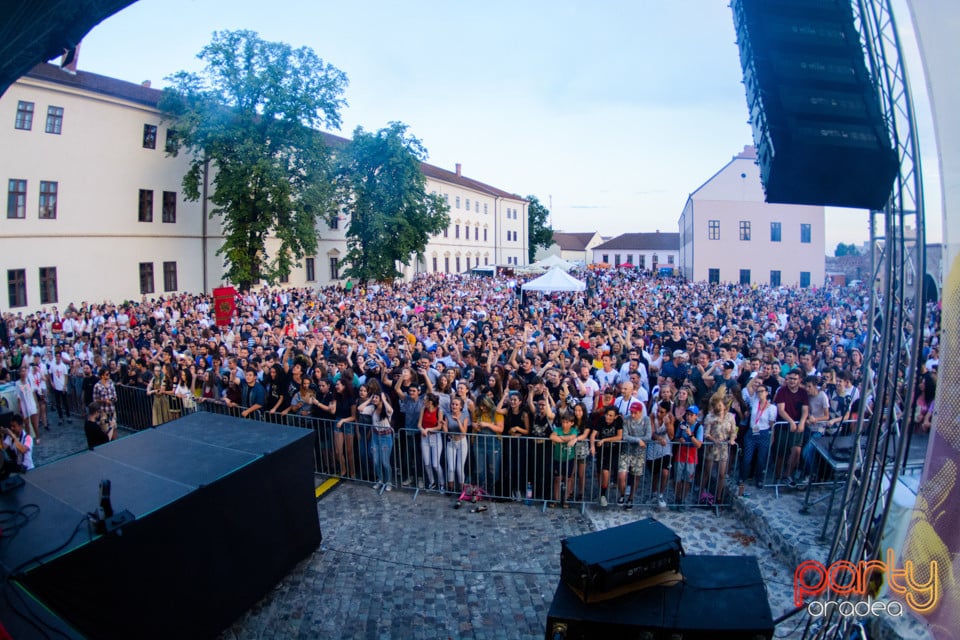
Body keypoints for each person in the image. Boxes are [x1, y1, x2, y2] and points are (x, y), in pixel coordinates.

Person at [702, 390, 737, 505]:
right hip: (712, 448)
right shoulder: (710, 417)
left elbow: (733, 431)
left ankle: (718, 497)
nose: (718, 407)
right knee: (707, 472)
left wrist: (732, 439)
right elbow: (706, 433)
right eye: (716, 404)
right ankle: (702, 493)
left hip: (723, 448)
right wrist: (713, 440)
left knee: (722, 474)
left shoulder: (731, 417)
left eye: (720, 404)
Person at [775, 369, 809, 486]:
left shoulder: (803, 393)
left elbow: (805, 409)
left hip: (798, 426)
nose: (792, 381)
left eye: (795, 379)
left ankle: (787, 475)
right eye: (790, 379)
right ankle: (777, 476)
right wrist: (791, 422)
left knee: (797, 451)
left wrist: (802, 422)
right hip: (784, 426)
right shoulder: (782, 391)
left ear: (799, 380)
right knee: (781, 452)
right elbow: (781, 410)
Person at [741, 385, 777, 489]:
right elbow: (749, 386)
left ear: (766, 392)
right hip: (752, 432)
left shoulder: (772, 408)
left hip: (764, 433)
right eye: (758, 391)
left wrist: (772, 437)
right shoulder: (754, 402)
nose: (760, 393)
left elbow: (772, 424)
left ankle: (759, 479)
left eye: (762, 391)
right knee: (747, 458)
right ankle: (743, 477)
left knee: (761, 458)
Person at [617, 402, 650, 510]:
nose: (633, 415)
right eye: (631, 412)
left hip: (639, 453)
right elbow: (625, 436)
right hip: (626, 451)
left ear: (640, 412)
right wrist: (638, 440)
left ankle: (631, 498)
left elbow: (648, 436)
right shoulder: (627, 419)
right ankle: (622, 494)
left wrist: (639, 440)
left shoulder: (646, 420)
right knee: (622, 475)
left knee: (636, 476)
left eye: (635, 413)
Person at [591, 406, 622, 507]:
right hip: (602, 450)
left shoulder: (619, 421)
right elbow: (593, 434)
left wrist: (604, 440)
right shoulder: (601, 420)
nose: (608, 417)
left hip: (613, 450)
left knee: (606, 470)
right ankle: (601, 491)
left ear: (615, 416)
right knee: (599, 472)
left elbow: (619, 436)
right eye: (607, 415)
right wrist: (592, 446)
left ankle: (603, 494)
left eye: (610, 416)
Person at [673, 405, 703, 510]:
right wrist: (679, 440)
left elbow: (699, 445)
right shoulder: (682, 424)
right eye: (687, 414)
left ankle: (682, 499)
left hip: (692, 455)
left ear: (696, 416)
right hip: (681, 453)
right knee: (677, 478)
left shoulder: (699, 427)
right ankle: (676, 498)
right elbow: (675, 438)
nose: (688, 417)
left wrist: (690, 435)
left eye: (691, 415)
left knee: (687, 479)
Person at [470, 393, 502, 495]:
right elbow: (473, 423)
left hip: (493, 443)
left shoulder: (496, 413)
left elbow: (500, 428)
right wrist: (475, 425)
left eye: (483, 405)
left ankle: (492, 490)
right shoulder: (476, 412)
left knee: (493, 468)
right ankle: (481, 490)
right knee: (479, 468)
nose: (482, 408)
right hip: (479, 442)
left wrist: (487, 424)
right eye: (480, 405)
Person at [548, 411, 578, 508]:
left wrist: (560, 438)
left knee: (568, 479)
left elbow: (573, 436)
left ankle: (566, 500)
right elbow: (552, 437)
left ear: (571, 423)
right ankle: (555, 499)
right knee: (557, 479)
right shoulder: (558, 429)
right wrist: (565, 439)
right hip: (558, 458)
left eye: (567, 422)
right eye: (563, 422)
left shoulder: (573, 430)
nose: (564, 424)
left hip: (569, 458)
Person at [366, 391, 395, 491]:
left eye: (376, 398)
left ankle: (389, 481)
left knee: (385, 462)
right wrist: (369, 399)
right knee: (376, 460)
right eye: (373, 398)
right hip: (375, 436)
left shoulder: (386, 410)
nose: (374, 399)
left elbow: (391, 410)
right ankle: (380, 479)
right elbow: (360, 409)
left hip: (386, 437)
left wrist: (384, 400)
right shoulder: (372, 408)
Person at [418, 393, 445, 491]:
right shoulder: (423, 409)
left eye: (424, 400)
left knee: (435, 464)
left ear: (430, 402)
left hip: (435, 437)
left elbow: (439, 427)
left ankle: (442, 483)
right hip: (424, 437)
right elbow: (419, 424)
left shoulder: (439, 411)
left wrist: (428, 429)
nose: (423, 401)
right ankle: (432, 482)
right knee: (426, 463)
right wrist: (422, 430)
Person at [445, 396, 469, 494]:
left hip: (462, 442)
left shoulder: (465, 415)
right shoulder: (447, 414)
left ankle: (461, 488)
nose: (454, 406)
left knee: (460, 468)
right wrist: (444, 427)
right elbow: (445, 430)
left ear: (461, 406)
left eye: (456, 404)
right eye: (453, 404)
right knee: (451, 467)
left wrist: (458, 421)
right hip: (451, 442)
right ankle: (450, 488)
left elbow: (464, 432)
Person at [15, 367, 40, 443]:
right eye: (21, 371)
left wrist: (36, 403)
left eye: (24, 371)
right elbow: (18, 396)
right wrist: (19, 407)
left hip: (31, 403)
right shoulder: (17, 383)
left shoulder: (29, 381)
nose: (23, 373)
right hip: (24, 404)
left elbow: (33, 392)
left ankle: (37, 436)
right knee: (26, 423)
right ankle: (29, 439)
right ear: (19, 373)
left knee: (34, 422)